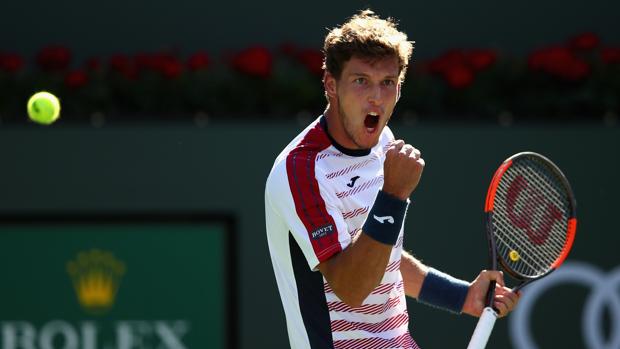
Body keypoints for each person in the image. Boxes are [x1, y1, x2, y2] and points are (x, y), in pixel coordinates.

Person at [265, 10, 520, 348]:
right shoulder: (300, 171)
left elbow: (381, 255)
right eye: (361, 81)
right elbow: (352, 287)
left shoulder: (383, 143)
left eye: (387, 83)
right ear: (330, 85)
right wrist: (393, 196)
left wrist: (462, 296)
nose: (376, 97)